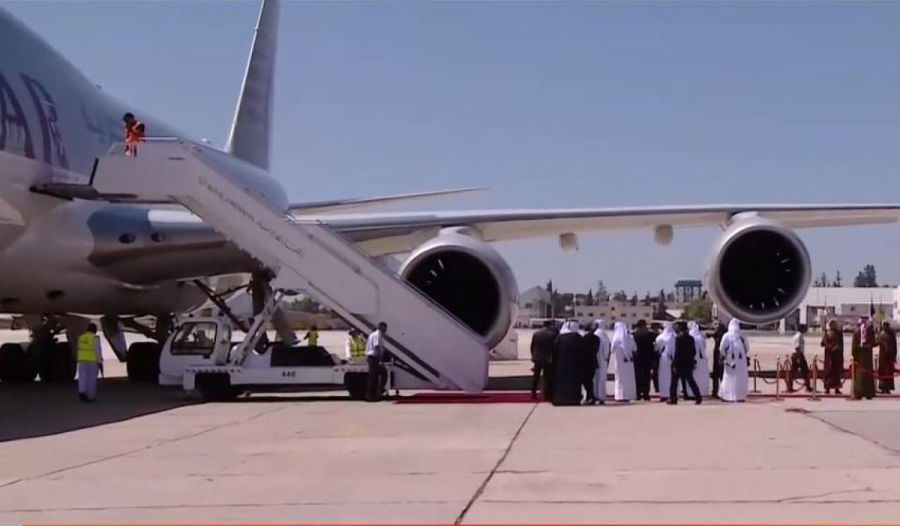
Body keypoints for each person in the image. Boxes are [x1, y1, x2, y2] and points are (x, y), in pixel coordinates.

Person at [551, 320, 584, 406]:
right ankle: (573, 400)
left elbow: (554, 351)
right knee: (573, 384)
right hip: (574, 366)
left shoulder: (559, 337)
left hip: (561, 365)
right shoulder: (577, 337)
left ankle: (560, 399)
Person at [669, 321, 702, 405]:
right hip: (688, 363)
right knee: (691, 381)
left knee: (674, 382)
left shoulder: (678, 338)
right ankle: (698, 396)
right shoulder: (691, 338)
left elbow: (677, 352)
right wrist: (690, 360)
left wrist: (675, 363)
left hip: (679, 364)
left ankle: (673, 398)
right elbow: (693, 351)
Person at [718, 319, 749, 402]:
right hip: (741, 362)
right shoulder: (742, 336)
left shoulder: (726, 336)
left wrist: (723, 356)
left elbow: (721, 348)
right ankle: (740, 396)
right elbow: (747, 348)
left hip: (730, 360)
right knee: (740, 379)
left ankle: (727, 396)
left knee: (728, 378)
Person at [530, 320, 557, 401]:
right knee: (547, 377)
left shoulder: (536, 333)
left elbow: (532, 346)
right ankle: (547, 394)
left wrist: (533, 356)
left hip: (537, 358)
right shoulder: (552, 334)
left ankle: (533, 393)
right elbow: (554, 347)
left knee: (536, 377)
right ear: (550, 325)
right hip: (547, 358)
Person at [850, 317, 876, 400]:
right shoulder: (869, 331)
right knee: (865, 374)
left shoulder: (858, 331)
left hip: (861, 354)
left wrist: (854, 354)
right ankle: (867, 392)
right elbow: (873, 342)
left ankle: (861, 392)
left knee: (862, 374)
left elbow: (854, 344)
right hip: (865, 354)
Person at [76, 323, 103, 403]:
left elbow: (78, 348)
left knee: (82, 377)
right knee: (91, 379)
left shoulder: (80, 337)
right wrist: (100, 362)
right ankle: (91, 396)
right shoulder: (94, 338)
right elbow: (98, 351)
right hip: (92, 361)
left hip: (82, 360)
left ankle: (82, 392)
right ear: (95, 330)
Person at [611, 321, 637, 402]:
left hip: (619, 363)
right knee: (628, 379)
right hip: (628, 362)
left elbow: (612, 350)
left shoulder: (615, 338)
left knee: (619, 379)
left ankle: (620, 396)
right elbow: (635, 348)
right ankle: (628, 395)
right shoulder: (630, 338)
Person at [631, 319, 656, 401]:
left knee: (637, 375)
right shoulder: (650, 334)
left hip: (637, 357)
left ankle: (638, 393)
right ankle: (646, 394)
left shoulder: (633, 335)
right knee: (646, 376)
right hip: (647, 357)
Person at [365, 322, 388, 402]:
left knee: (373, 377)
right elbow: (377, 346)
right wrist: (380, 359)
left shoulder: (375, 334)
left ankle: (372, 396)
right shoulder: (377, 335)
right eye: (385, 328)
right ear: (381, 327)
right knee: (381, 374)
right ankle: (376, 392)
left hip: (372, 358)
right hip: (374, 358)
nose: (386, 330)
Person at [820, 319, 844, 395]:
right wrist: (828, 344)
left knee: (836, 373)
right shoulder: (827, 333)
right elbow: (822, 344)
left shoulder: (839, 333)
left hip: (837, 356)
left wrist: (838, 349)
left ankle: (837, 388)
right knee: (828, 372)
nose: (834, 325)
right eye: (832, 324)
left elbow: (841, 344)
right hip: (829, 356)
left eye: (835, 324)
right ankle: (827, 388)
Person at [688, 321, 710, 398]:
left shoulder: (690, 337)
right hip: (702, 360)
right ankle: (702, 391)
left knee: (694, 376)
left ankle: (692, 393)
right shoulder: (700, 337)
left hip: (694, 359)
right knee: (702, 376)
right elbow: (704, 346)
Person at [788, 324, 812, 393]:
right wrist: (799, 358)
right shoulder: (799, 336)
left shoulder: (798, 336)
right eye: (805, 328)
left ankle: (790, 386)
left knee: (794, 372)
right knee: (804, 371)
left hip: (797, 355)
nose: (806, 330)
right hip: (798, 355)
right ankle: (807, 387)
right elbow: (797, 347)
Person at [579, 323, 599, 404]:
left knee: (586, 381)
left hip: (585, 363)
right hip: (593, 362)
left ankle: (590, 397)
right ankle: (590, 397)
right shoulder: (596, 338)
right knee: (590, 381)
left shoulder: (584, 338)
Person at [654, 323, 675, 403]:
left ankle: (664, 394)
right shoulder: (674, 336)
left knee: (663, 377)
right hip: (673, 358)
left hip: (663, 358)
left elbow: (656, 348)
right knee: (672, 377)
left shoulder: (660, 337)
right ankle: (673, 394)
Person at [592, 319, 611, 405]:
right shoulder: (603, 334)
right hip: (602, 359)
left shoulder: (595, 333)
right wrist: (606, 357)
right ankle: (601, 396)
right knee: (601, 379)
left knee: (595, 378)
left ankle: (595, 395)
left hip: (596, 358)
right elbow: (606, 347)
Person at [875, 321, 897, 394]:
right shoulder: (881, 333)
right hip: (883, 356)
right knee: (883, 372)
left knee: (888, 373)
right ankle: (883, 387)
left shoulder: (891, 334)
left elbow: (894, 345)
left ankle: (887, 388)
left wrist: (894, 356)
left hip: (889, 356)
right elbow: (876, 342)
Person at [707, 321, 727, 398]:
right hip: (721, 354)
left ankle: (716, 391)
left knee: (717, 374)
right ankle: (722, 391)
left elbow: (708, 335)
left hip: (718, 353)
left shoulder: (719, 333)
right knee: (721, 374)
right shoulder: (724, 334)